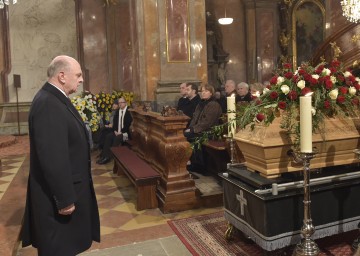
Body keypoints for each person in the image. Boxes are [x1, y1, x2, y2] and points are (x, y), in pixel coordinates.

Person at [21, 55, 100, 255]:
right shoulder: (48, 103)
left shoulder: (55, 99)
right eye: (79, 75)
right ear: (62, 76)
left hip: (66, 191)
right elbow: (53, 158)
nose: (81, 79)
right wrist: (64, 199)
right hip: (57, 200)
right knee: (59, 249)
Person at [184, 84, 223, 174]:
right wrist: (190, 128)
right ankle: (195, 163)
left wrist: (193, 130)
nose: (203, 93)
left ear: (211, 93)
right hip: (200, 130)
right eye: (202, 91)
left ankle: (200, 165)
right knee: (186, 134)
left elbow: (207, 122)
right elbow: (194, 118)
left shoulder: (214, 105)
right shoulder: (201, 104)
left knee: (189, 136)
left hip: (209, 131)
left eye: (206, 91)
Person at [97, 97, 132, 165]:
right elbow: (115, 123)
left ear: (125, 103)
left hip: (126, 134)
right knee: (108, 136)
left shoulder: (129, 111)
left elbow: (128, 125)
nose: (120, 104)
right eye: (119, 103)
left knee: (117, 138)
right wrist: (115, 131)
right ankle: (104, 156)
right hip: (117, 132)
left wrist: (121, 132)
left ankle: (111, 157)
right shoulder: (117, 112)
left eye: (121, 102)